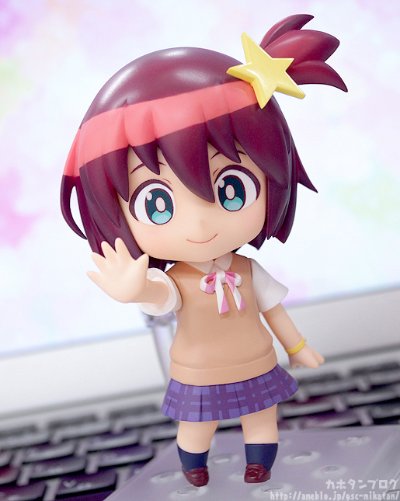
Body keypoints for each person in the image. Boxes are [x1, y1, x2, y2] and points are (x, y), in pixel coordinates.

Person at [61, 14, 346, 486]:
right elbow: (161, 296)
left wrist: (298, 347)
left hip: (257, 360)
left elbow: (275, 312)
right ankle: (195, 468)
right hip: (199, 371)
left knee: (262, 418)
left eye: (231, 189)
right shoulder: (178, 280)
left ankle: (259, 465)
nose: (199, 224)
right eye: (157, 204)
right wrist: (135, 290)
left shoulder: (248, 270)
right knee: (198, 425)